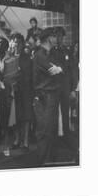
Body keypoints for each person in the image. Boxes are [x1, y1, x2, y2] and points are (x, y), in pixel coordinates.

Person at [32, 27, 64, 166]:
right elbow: (54, 71)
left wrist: (60, 68)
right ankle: (42, 162)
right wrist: (59, 69)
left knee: (50, 130)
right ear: (48, 38)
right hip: (44, 97)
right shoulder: (40, 55)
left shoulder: (52, 54)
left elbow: (63, 68)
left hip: (51, 96)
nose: (57, 39)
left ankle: (47, 160)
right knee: (44, 131)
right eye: (54, 36)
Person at [52, 26, 72, 137]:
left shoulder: (66, 50)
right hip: (54, 86)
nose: (58, 38)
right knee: (54, 111)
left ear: (63, 37)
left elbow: (71, 69)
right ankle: (55, 135)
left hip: (64, 86)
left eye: (60, 35)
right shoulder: (50, 51)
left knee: (65, 110)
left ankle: (66, 133)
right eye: (56, 36)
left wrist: (72, 88)